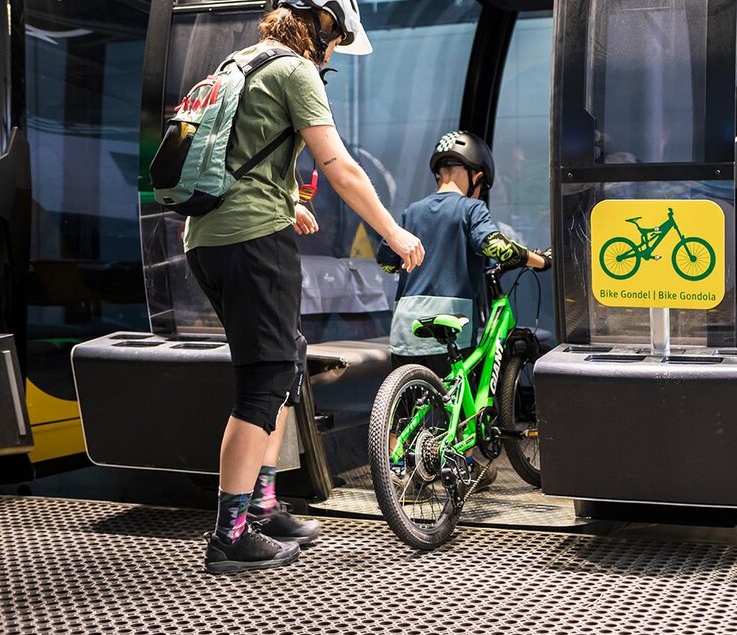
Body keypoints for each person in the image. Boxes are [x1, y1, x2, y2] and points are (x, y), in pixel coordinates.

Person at [185, 0, 424, 574]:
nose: (336, 52)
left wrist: (288, 199)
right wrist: (392, 232)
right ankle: (231, 533)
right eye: (338, 40)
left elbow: (237, 151)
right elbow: (339, 165)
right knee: (262, 382)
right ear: (322, 27)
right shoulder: (295, 69)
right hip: (251, 244)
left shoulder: (237, 64)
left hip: (207, 239)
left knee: (286, 359)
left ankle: (263, 506)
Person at [377, 130, 551, 492]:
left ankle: (399, 475)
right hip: (454, 319)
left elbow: (387, 262)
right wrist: (538, 260)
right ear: (476, 176)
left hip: (407, 322)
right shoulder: (472, 208)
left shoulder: (411, 212)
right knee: (464, 396)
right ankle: (466, 464)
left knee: (408, 408)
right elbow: (494, 245)